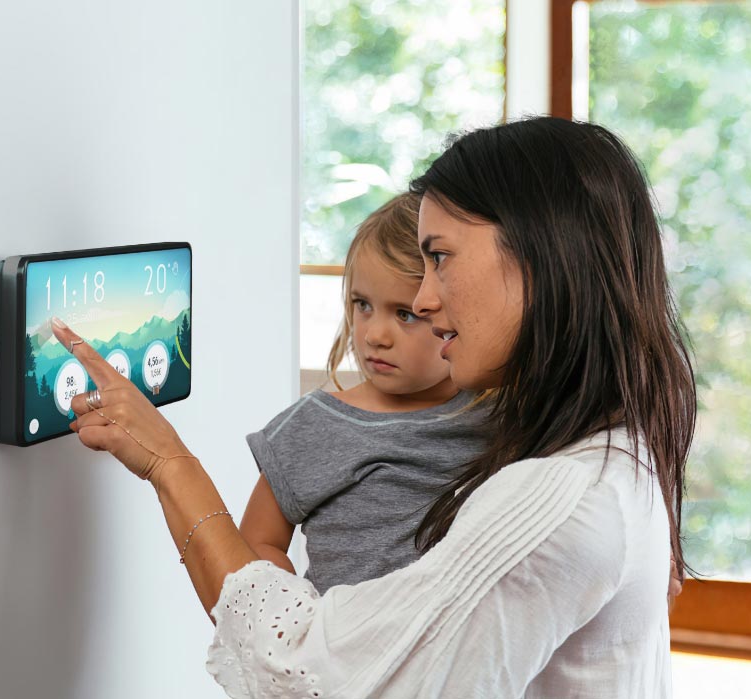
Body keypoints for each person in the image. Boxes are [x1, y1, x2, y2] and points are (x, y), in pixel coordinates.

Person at [51, 115, 695, 698]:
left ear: (541, 251)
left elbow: (302, 672)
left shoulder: (559, 503)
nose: (427, 299)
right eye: (366, 303)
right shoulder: (609, 441)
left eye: (440, 258)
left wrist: (171, 464)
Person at [237, 192, 488, 593]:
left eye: (405, 314)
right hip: (341, 649)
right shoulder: (312, 426)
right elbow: (255, 543)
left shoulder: (500, 412)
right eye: (362, 305)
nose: (374, 335)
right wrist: (301, 624)